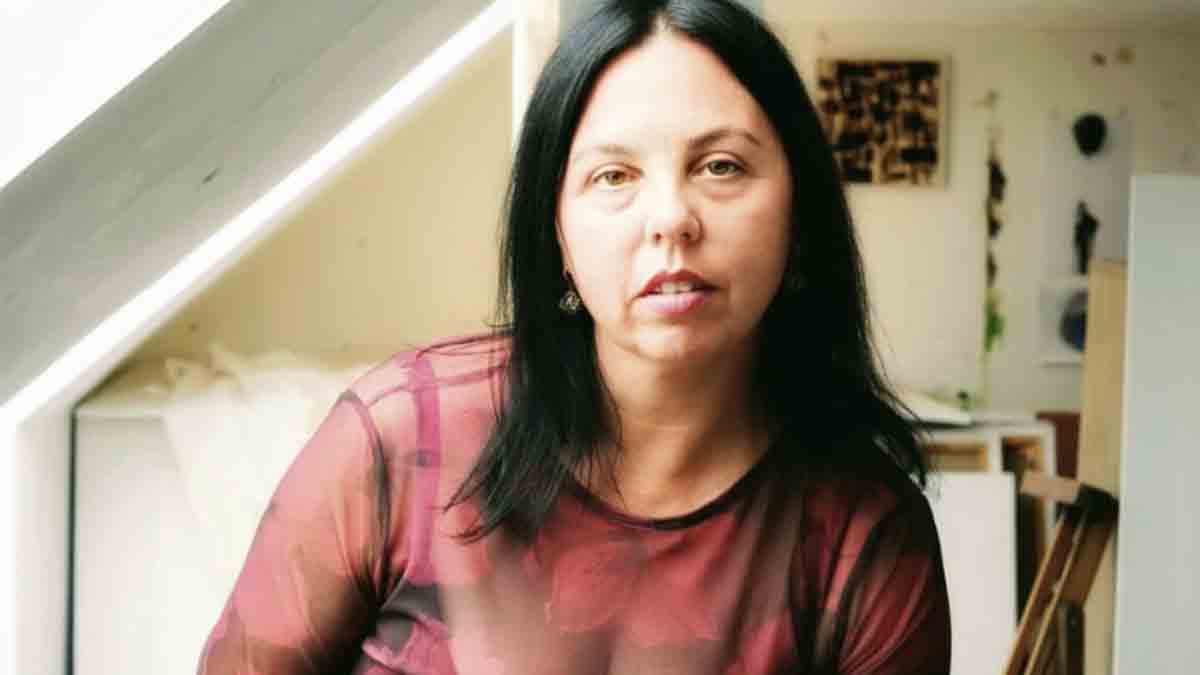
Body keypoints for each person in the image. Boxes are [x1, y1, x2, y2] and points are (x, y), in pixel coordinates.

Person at [196, 1, 951, 672]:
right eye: (613, 176)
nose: (671, 218)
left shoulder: (866, 535)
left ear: (798, 209)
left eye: (721, 166)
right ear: (555, 229)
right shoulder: (400, 438)